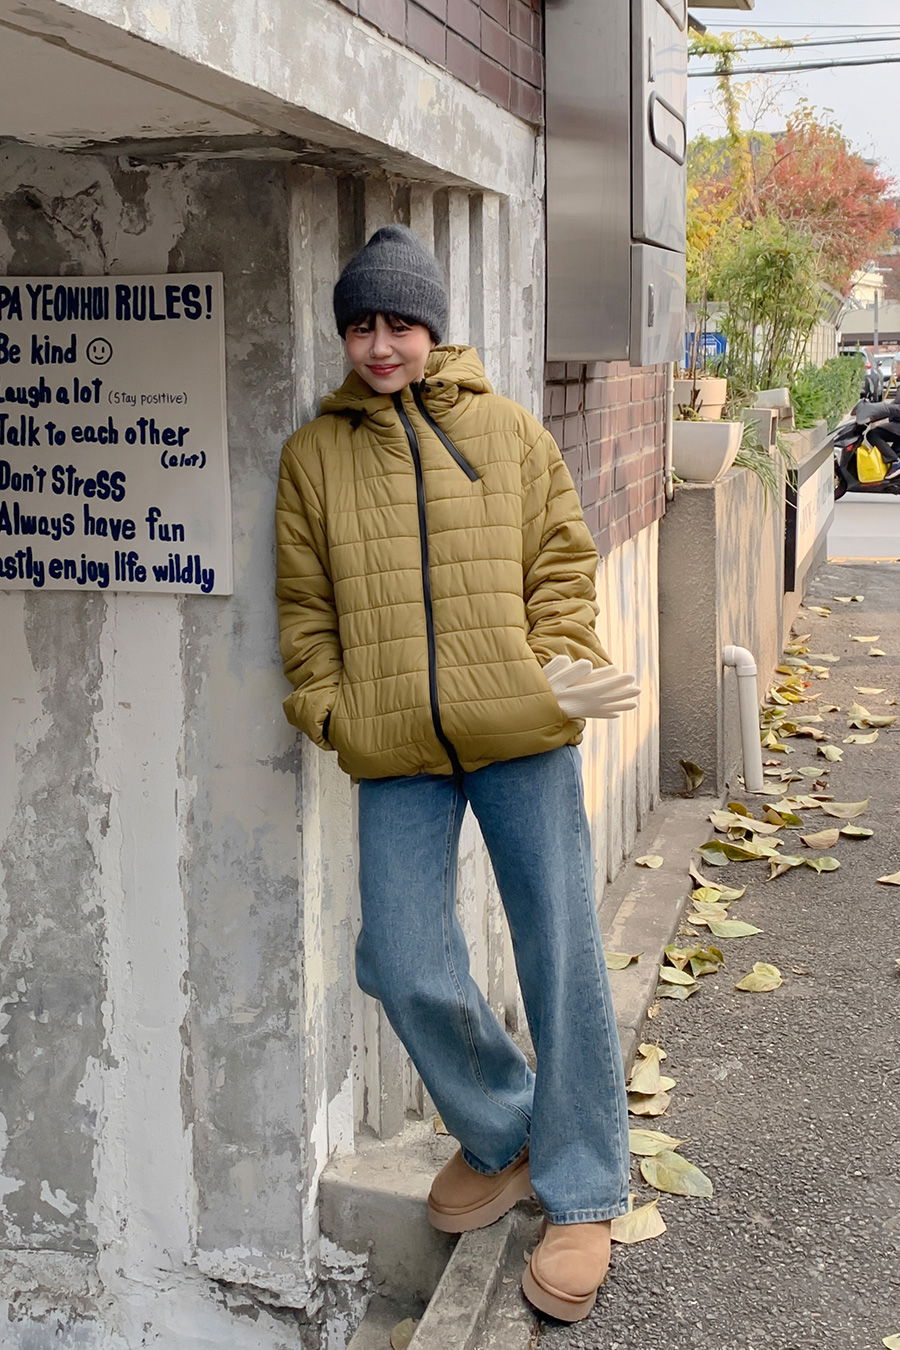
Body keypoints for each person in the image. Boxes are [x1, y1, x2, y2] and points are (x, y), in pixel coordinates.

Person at [275, 224, 640, 1323]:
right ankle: (506, 1130)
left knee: (559, 953)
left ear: (433, 326)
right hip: (395, 746)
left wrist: (557, 666)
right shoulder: (314, 457)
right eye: (361, 326)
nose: (380, 345)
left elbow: (561, 563)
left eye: (400, 322)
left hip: (520, 731)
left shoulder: (509, 432)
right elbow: (305, 611)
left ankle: (585, 1188)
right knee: (400, 958)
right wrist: (330, 709)